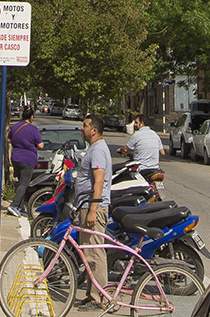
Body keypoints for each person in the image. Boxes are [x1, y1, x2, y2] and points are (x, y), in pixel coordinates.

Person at [73, 115, 114, 290]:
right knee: (89, 254)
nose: (82, 128)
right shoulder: (94, 148)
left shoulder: (98, 150)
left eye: (85, 126)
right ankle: (92, 294)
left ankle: (99, 297)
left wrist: (92, 210)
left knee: (95, 253)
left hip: (93, 207)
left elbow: (99, 181)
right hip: (87, 205)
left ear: (94, 130)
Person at [5, 105, 42, 217]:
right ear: (31, 117)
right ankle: (14, 205)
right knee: (24, 184)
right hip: (28, 159)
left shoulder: (15, 127)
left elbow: (9, 140)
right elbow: (41, 145)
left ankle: (20, 208)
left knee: (21, 182)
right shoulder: (33, 129)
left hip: (16, 158)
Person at [121, 113, 163, 186]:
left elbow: (126, 149)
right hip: (155, 168)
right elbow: (162, 152)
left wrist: (120, 150)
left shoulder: (136, 135)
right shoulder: (155, 134)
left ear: (142, 124)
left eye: (136, 122)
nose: (135, 124)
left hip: (141, 169)